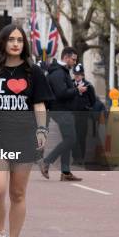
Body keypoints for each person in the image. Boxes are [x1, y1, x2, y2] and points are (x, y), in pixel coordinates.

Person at [0, 24, 53, 237]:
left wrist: (41, 129)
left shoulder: (33, 72)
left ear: (24, 44)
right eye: (11, 39)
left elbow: (39, 104)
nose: (16, 43)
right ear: (3, 43)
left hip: (24, 137)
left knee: (18, 192)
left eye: (19, 40)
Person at [40, 47, 83, 181]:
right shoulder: (58, 73)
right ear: (66, 57)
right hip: (60, 110)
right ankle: (46, 161)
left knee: (67, 140)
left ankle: (65, 172)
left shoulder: (61, 71)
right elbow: (61, 93)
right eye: (73, 60)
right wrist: (77, 90)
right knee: (71, 139)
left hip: (62, 110)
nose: (75, 63)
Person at [71, 63, 96, 164]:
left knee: (81, 136)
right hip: (72, 114)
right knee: (73, 136)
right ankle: (75, 158)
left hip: (83, 114)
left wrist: (87, 107)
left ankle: (81, 158)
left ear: (83, 75)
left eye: (79, 74)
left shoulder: (88, 86)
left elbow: (93, 100)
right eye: (76, 74)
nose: (77, 76)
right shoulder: (70, 84)